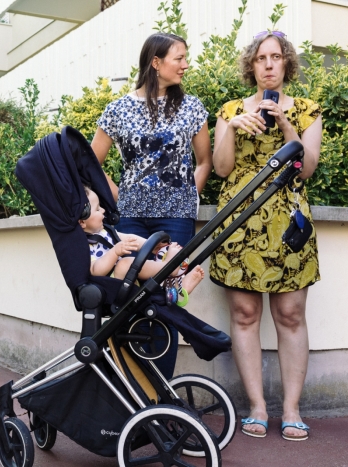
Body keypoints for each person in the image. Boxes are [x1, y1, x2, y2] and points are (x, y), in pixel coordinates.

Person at [209, 30, 321, 442]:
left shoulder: (307, 109)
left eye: (276, 57)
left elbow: (306, 168)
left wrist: (287, 124)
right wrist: (232, 128)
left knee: (290, 315)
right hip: (240, 222)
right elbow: (221, 169)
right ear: (252, 66)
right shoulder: (230, 109)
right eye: (261, 58)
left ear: (287, 63)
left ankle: (291, 409)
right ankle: (256, 406)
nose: (269, 64)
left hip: (288, 224)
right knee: (245, 316)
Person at [91, 32, 212, 379]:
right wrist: (119, 197)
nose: (186, 65)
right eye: (179, 58)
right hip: (132, 218)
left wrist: (189, 196)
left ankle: (161, 391)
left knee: (166, 299)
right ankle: (129, 385)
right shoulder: (118, 109)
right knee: (127, 296)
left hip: (177, 218)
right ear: (156, 63)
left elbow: (203, 161)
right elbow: (92, 162)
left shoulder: (191, 107)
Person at [79, 187, 205, 299]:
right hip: (109, 286)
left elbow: (130, 239)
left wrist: (151, 246)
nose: (103, 211)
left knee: (135, 263)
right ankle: (169, 268)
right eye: (97, 209)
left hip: (127, 282)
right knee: (125, 263)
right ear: (82, 222)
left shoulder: (105, 231)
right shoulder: (83, 243)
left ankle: (177, 289)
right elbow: (95, 271)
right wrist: (115, 252)